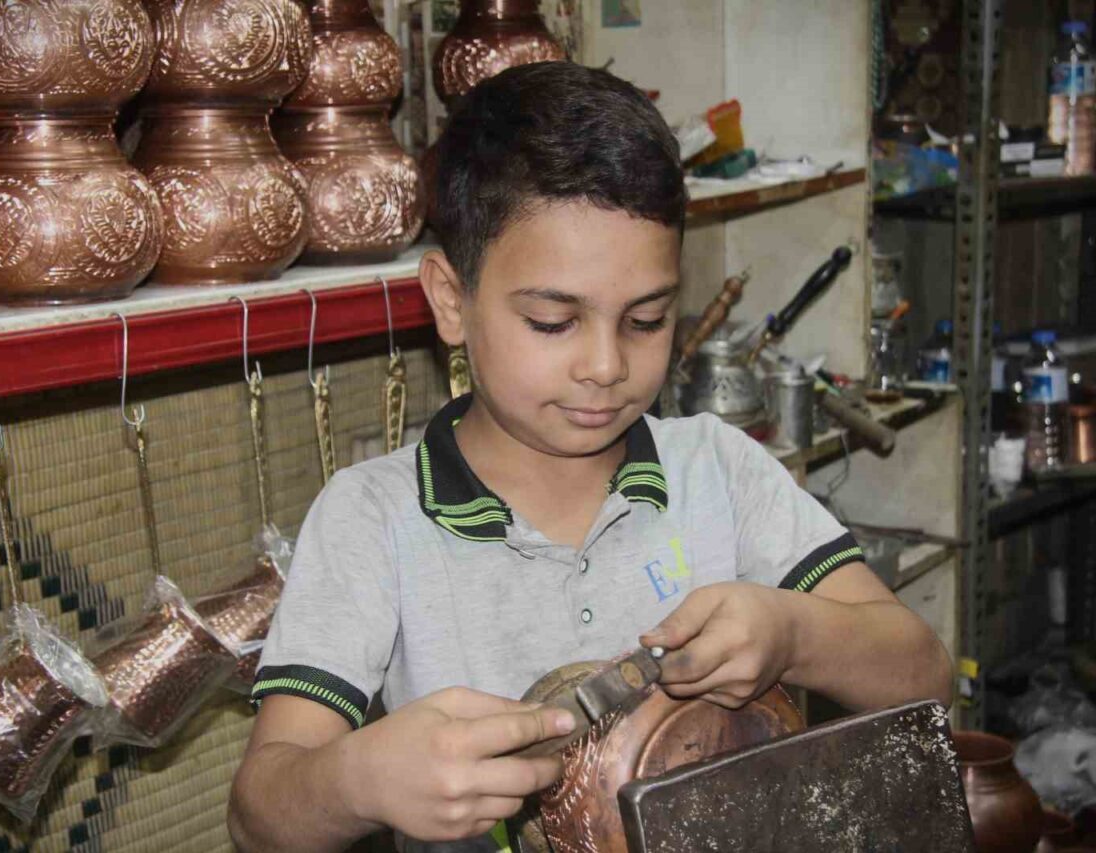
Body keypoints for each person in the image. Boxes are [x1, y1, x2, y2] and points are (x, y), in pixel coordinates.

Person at [228, 61, 952, 852]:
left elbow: (924, 674)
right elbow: (261, 813)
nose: (605, 365)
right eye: (552, 321)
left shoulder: (719, 471)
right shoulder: (373, 518)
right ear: (449, 300)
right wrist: (358, 780)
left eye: (645, 320)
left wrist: (793, 632)